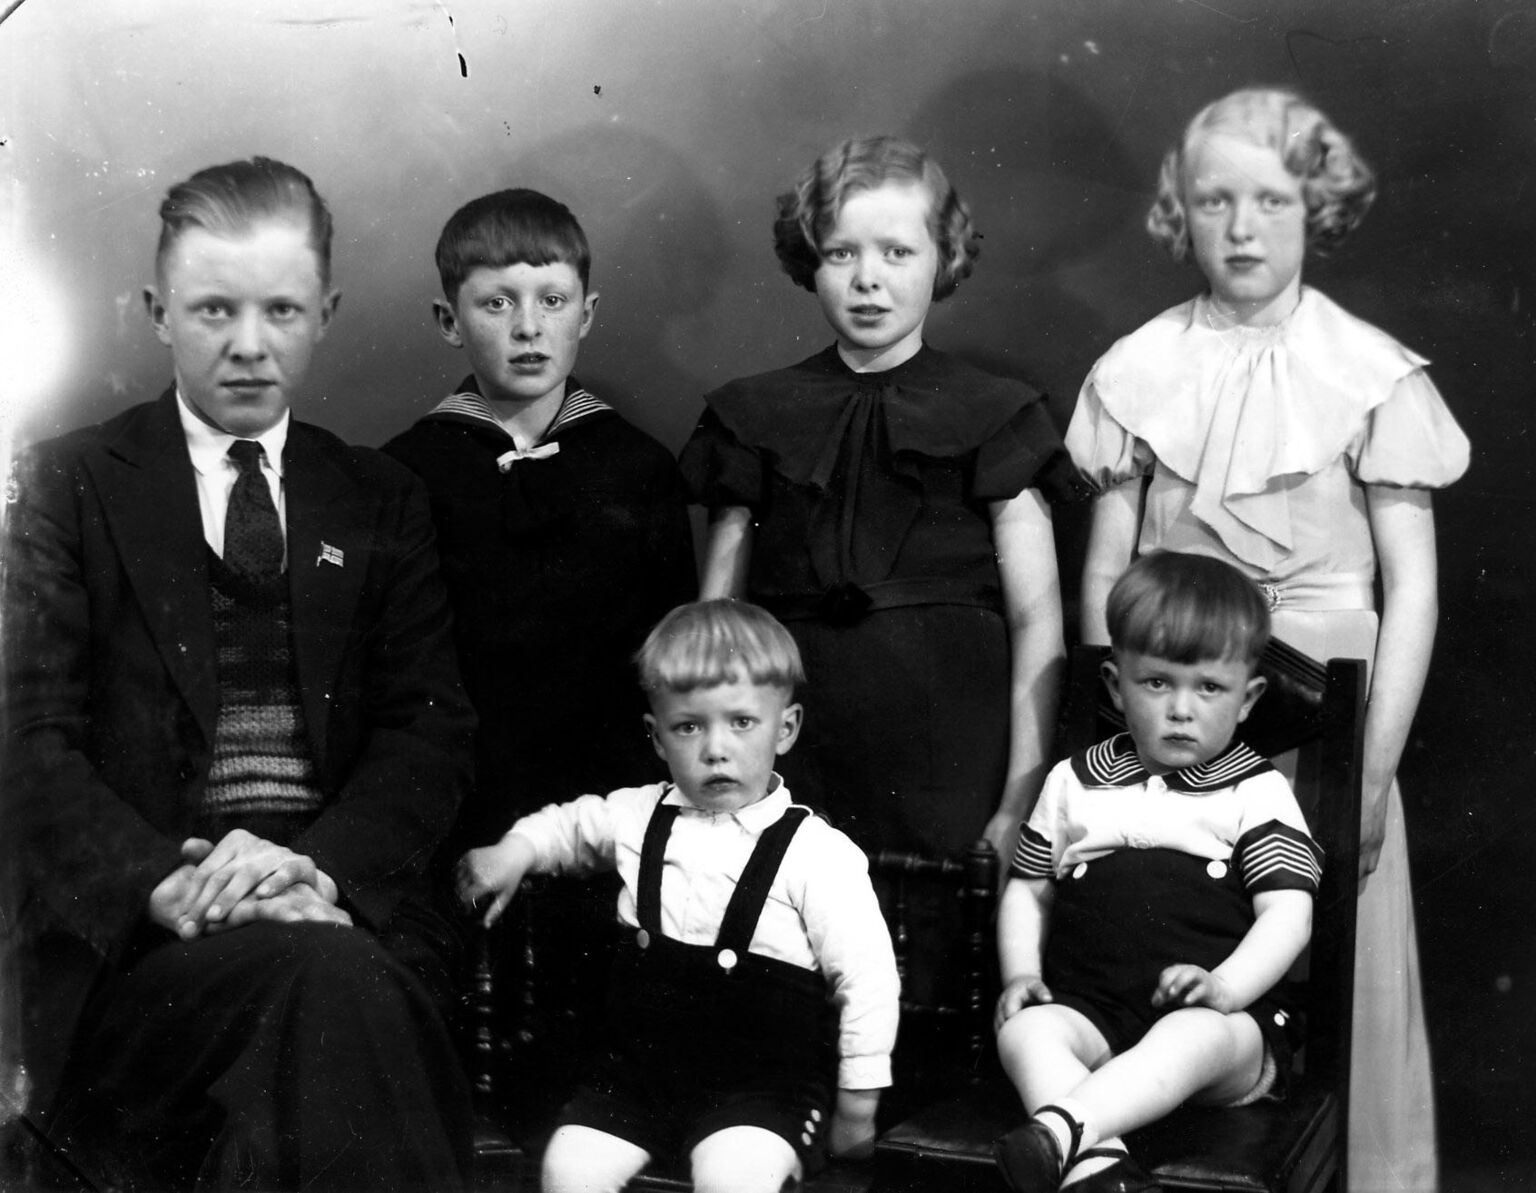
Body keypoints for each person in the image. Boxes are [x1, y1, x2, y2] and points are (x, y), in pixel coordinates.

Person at [1, 157, 476, 1191]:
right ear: (157, 312)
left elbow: (429, 730)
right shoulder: (67, 482)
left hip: (334, 909)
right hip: (148, 947)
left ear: (326, 314)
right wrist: (168, 884)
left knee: (330, 993)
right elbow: (28, 741)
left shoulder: (379, 495)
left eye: (282, 310)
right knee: (335, 994)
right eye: (214, 308)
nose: (250, 343)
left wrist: (317, 871)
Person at [1066, 88, 1468, 1193]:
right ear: (1180, 212)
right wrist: (1118, 742)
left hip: (1329, 730)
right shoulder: (1137, 368)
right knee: (1166, 952)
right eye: (1214, 201)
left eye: (1272, 201)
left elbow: (1414, 591)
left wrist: (1369, 774)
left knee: (1323, 961)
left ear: (1316, 207)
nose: (1241, 229)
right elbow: (1104, 577)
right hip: (1173, 710)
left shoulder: (1371, 374)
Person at [679, 134, 1084, 873]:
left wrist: (1018, 803)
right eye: (841, 253)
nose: (868, 279)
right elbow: (716, 630)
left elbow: (1038, 622)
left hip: (950, 755)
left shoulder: (997, 411)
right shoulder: (752, 414)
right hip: (795, 754)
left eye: (897, 252)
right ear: (809, 260)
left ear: (943, 257)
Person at [457, 599, 901, 1193]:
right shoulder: (638, 815)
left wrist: (857, 1109)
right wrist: (515, 851)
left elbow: (868, 983)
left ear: (786, 728)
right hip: (637, 1083)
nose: (715, 748)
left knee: (735, 1178)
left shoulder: (816, 853)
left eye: (741, 722)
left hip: (763, 1092)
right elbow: (569, 827)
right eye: (688, 726)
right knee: (567, 1168)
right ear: (657, 737)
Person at [993, 552, 1321, 1193]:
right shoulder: (1075, 781)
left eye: (1209, 688)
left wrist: (1225, 988)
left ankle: (1062, 1132)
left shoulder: (1256, 791)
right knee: (1025, 1033)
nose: (1181, 709)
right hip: (1093, 1012)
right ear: (1116, 687)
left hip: (1222, 1026)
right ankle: (1099, 1170)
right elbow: (1029, 890)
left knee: (1190, 1037)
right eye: (1157, 683)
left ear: (1248, 698)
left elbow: (1289, 915)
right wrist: (1022, 974)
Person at [384, 187, 695, 853]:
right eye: (497, 303)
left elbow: (671, 662)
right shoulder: (404, 473)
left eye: (552, 301)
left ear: (587, 313)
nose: (528, 327)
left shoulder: (639, 468)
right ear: (448, 319)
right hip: (455, 795)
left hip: (610, 803)